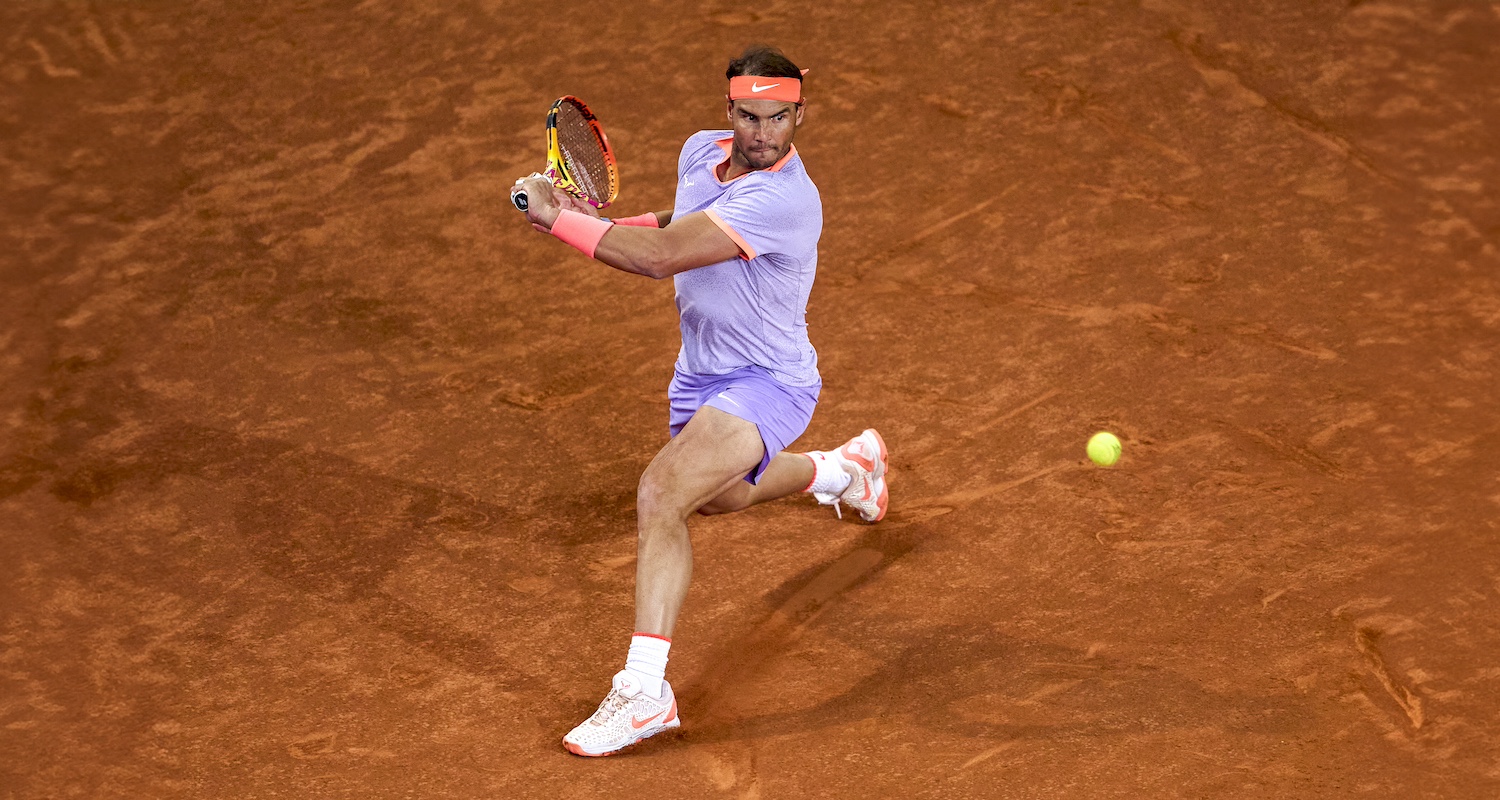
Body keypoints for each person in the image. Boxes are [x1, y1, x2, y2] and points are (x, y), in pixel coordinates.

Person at [512, 44, 889, 758]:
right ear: (729, 112)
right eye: (748, 116)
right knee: (720, 499)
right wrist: (590, 221)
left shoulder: (785, 197)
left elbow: (660, 261)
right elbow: (674, 224)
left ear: (799, 115)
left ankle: (645, 692)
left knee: (661, 493)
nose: (761, 133)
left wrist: (557, 221)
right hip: (701, 375)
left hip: (768, 380)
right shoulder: (698, 153)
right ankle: (844, 471)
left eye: (778, 118)